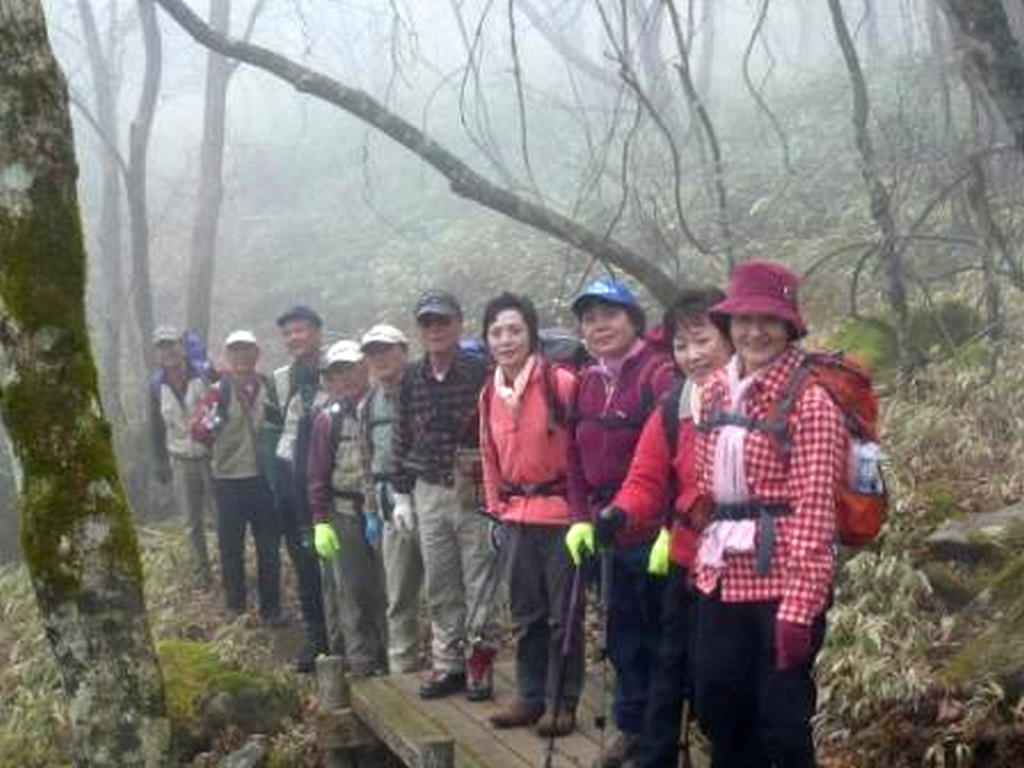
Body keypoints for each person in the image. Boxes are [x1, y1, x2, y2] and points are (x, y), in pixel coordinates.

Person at [692, 260, 845, 767]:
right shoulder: (713, 389)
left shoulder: (811, 401)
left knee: (782, 722)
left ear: (789, 326)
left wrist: (799, 609)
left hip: (783, 583)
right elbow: (704, 484)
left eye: (768, 320)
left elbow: (815, 512)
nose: (755, 331)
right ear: (729, 326)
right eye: (744, 320)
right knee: (719, 708)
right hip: (721, 577)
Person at [607, 288, 733, 768]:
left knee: (716, 680)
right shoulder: (676, 403)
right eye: (681, 345)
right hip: (686, 559)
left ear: (730, 337)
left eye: (702, 340)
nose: (692, 355)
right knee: (668, 669)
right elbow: (645, 478)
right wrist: (620, 514)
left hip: (740, 568)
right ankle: (657, 758)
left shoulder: (754, 400)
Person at [562, 278, 677, 768]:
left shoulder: (659, 374)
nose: (598, 326)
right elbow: (571, 454)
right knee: (622, 638)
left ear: (634, 319)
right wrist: (578, 517)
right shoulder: (587, 380)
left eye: (608, 314)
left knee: (661, 641)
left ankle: (661, 741)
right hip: (605, 534)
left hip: (652, 536)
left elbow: (677, 454)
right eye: (589, 319)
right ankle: (631, 729)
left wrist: (671, 525)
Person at [478, 293, 584, 738]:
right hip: (516, 514)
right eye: (497, 332)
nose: (506, 340)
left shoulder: (560, 383)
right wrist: (496, 508)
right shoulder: (490, 393)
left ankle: (562, 700)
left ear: (531, 334)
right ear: (487, 340)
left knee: (564, 614)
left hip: (560, 515)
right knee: (525, 613)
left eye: (514, 330)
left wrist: (583, 513)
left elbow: (582, 449)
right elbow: (488, 454)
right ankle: (530, 693)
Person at [391, 290, 494, 700]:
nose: (435, 329)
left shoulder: (481, 371)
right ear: (420, 329)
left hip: (474, 487)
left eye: (442, 321)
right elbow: (402, 436)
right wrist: (401, 495)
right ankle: (447, 663)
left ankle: (479, 664)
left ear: (458, 324)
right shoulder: (411, 377)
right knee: (440, 582)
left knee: (480, 579)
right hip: (428, 489)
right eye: (427, 323)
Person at [308, 340, 389, 677]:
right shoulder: (328, 420)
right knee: (351, 590)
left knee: (387, 589)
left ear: (364, 366)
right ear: (331, 379)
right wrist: (320, 521)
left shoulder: (384, 406)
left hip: (386, 511)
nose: (347, 377)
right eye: (338, 372)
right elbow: (316, 474)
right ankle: (360, 662)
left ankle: (392, 658)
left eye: (352, 368)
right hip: (344, 511)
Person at [192, 330, 284, 622]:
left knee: (269, 548)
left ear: (256, 354)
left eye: (247, 350)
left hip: (264, 481)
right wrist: (213, 421)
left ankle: (271, 609)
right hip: (229, 480)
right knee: (230, 548)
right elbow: (199, 431)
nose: (242, 356)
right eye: (236, 351)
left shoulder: (269, 387)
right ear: (228, 357)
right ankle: (236, 609)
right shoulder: (218, 392)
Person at [361, 324, 425, 673]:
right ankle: (403, 669)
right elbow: (365, 461)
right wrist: (372, 511)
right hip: (391, 510)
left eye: (386, 350)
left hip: (429, 498)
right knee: (398, 596)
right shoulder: (369, 403)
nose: (380, 359)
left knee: (448, 593)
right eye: (373, 353)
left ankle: (456, 665)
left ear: (403, 350)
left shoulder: (423, 389)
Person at [272, 305, 329, 672]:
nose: (295, 337)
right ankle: (315, 633)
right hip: (291, 477)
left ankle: (345, 632)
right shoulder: (279, 378)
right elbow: (273, 429)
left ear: (317, 332)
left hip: (328, 477)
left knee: (334, 559)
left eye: (301, 330)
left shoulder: (338, 366)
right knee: (304, 560)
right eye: (289, 332)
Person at [149, 326, 215, 586]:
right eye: (162, 347)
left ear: (182, 346)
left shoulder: (205, 373)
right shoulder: (156, 386)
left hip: (211, 455)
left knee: (220, 515)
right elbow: (155, 425)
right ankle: (202, 572)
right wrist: (160, 461)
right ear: (157, 353)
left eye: (172, 345)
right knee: (191, 521)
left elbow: (223, 406)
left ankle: (233, 565)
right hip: (179, 457)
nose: (169, 352)